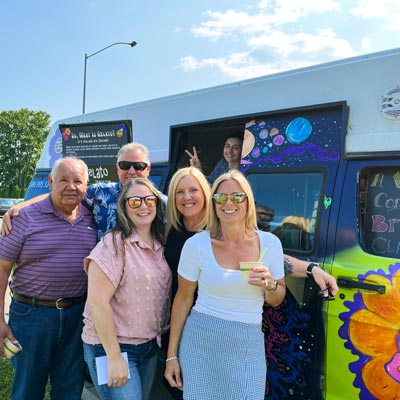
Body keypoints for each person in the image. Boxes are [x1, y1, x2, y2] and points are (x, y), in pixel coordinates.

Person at [165, 170, 286, 399]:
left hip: (247, 343)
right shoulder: (196, 244)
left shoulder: (270, 243)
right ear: (213, 203)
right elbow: (183, 299)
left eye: (237, 196)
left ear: (248, 200)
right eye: (221, 197)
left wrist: (270, 284)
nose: (229, 203)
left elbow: (276, 298)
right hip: (200, 341)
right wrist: (172, 356)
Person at [0, 157, 97, 400]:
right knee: (28, 389)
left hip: (77, 316)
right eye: (63, 180)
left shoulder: (94, 216)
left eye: (77, 181)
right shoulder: (23, 218)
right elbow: (1, 269)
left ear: (86, 186)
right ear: (51, 181)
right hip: (31, 316)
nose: (71, 186)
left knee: (70, 388)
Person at [82, 178, 172, 400]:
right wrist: (114, 357)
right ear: (123, 208)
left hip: (150, 346)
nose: (143, 206)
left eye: (149, 200)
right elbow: (97, 303)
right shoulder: (113, 245)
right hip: (112, 347)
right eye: (134, 202)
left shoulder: (160, 244)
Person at [1, 142, 167, 240]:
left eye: (138, 166)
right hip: (103, 277)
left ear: (148, 169)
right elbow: (60, 194)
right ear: (117, 168)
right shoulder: (100, 192)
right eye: (125, 165)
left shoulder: (162, 202)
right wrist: (21, 206)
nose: (131, 171)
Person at [162, 166, 211, 400]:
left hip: (208, 325)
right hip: (176, 320)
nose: (187, 197)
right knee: (177, 386)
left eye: (193, 190)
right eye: (180, 192)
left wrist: (310, 269)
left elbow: (257, 248)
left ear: (205, 192)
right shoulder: (171, 228)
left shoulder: (220, 227)